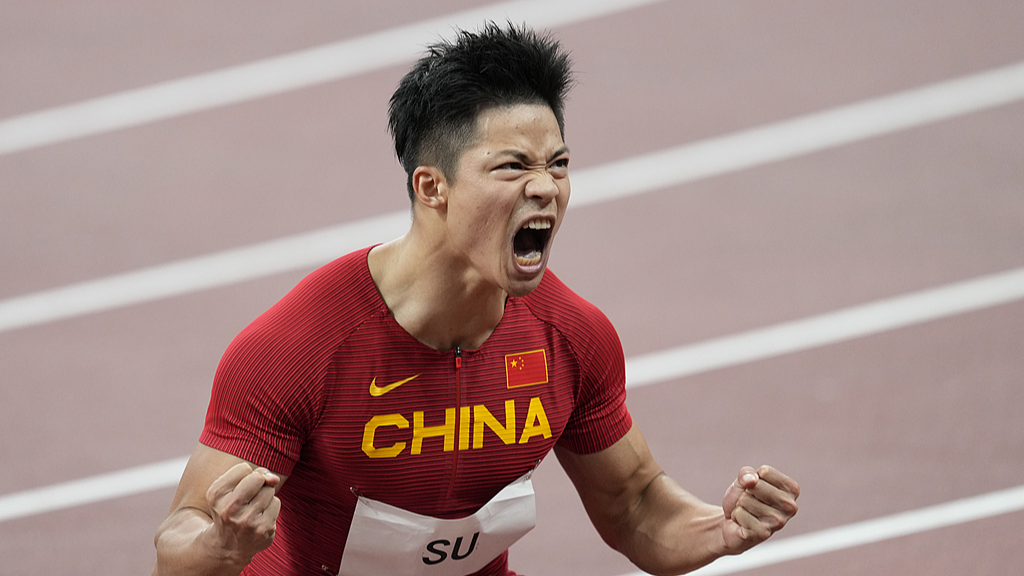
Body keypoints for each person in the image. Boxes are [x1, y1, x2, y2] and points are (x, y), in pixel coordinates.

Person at [152, 22, 799, 576]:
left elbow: (634, 504)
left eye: (559, 164)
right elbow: (178, 542)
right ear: (432, 188)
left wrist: (723, 531)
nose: (546, 187)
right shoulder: (298, 349)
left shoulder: (571, 338)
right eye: (513, 167)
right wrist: (218, 543)